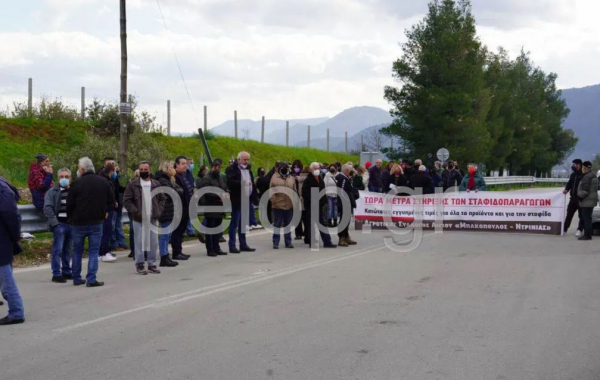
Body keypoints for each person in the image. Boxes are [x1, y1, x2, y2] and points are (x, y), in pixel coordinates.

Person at [67, 157, 114, 287]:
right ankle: (91, 279)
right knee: (93, 251)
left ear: (82, 169)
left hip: (78, 223)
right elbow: (111, 201)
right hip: (96, 222)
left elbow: (69, 204)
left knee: (77, 251)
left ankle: (76, 278)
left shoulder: (76, 183)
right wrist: (104, 211)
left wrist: (70, 218)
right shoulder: (103, 182)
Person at [123, 161, 165, 275]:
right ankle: (140, 264)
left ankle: (152, 264)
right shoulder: (133, 185)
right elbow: (126, 200)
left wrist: (158, 211)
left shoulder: (156, 184)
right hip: (139, 218)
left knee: (153, 242)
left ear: (150, 170)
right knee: (139, 242)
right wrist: (135, 212)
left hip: (153, 217)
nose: (143, 172)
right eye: (141, 170)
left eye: (145, 170)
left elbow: (162, 198)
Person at [0, 176, 25, 325]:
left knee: (6, 278)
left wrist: (15, 235)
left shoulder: (2, 189)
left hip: (1, 241)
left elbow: (11, 214)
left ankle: (16, 312)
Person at [43, 168, 73, 283]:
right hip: (59, 224)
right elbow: (47, 208)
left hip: (71, 224)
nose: (64, 179)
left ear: (70, 178)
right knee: (57, 250)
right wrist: (55, 223)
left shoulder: (73, 191)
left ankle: (67, 271)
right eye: (61, 177)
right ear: (58, 178)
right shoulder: (52, 191)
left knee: (68, 249)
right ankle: (56, 273)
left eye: (66, 177)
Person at [225, 151, 257, 253]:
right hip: (237, 199)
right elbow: (230, 182)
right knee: (234, 223)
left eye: (248, 159)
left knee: (243, 223)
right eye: (244, 159)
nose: (246, 161)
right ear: (238, 159)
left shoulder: (248, 170)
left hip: (247, 199)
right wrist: (243, 183)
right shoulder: (231, 169)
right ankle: (232, 245)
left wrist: (254, 196)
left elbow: (252, 184)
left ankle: (243, 244)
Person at [197, 159, 229, 257]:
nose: (218, 169)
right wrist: (220, 195)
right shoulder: (206, 178)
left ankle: (217, 247)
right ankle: (210, 249)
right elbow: (206, 192)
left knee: (217, 229)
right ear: (212, 167)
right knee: (210, 229)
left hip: (220, 206)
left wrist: (227, 192)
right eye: (216, 167)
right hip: (210, 206)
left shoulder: (219, 177)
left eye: (219, 167)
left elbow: (224, 187)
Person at [302, 162, 336, 249]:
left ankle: (327, 242)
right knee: (311, 225)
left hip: (319, 205)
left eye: (318, 168)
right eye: (315, 168)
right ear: (311, 169)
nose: (317, 170)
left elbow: (323, 190)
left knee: (322, 223)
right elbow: (305, 193)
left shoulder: (320, 179)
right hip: (311, 205)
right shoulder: (308, 180)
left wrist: (324, 201)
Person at [154, 161, 181, 267]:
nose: (173, 169)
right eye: (171, 167)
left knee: (167, 234)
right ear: (166, 168)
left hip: (169, 209)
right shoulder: (162, 180)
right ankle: (164, 256)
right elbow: (170, 193)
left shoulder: (167, 179)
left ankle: (166, 255)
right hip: (165, 210)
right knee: (165, 234)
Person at [270, 162, 297, 249]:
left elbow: (294, 191)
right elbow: (271, 192)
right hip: (278, 205)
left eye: (286, 168)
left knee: (288, 224)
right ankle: (275, 242)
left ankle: (288, 242)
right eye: (283, 168)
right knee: (277, 224)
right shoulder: (274, 178)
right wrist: (275, 201)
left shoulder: (291, 178)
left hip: (289, 205)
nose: (285, 169)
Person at [171, 156, 192, 261]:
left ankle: (179, 250)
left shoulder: (184, 176)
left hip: (185, 208)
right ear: (177, 165)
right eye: (183, 163)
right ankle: (176, 252)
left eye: (186, 163)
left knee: (181, 231)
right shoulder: (176, 178)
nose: (185, 165)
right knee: (177, 231)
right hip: (179, 209)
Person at [97, 161, 118, 262]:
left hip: (106, 208)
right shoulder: (106, 181)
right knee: (106, 231)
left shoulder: (103, 179)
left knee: (105, 231)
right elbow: (107, 195)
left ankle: (103, 251)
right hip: (106, 209)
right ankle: (103, 252)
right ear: (112, 171)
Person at [335, 164, 357, 247]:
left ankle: (346, 236)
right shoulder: (342, 178)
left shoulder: (345, 178)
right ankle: (341, 238)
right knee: (343, 221)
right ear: (346, 170)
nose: (351, 172)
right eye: (350, 170)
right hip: (344, 202)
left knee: (347, 220)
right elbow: (342, 191)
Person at [576, 161, 598, 241]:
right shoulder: (593, 175)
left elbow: (584, 190)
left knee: (586, 219)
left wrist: (579, 197)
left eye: (582, 167)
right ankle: (588, 234)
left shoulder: (587, 177)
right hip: (591, 201)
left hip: (586, 201)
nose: (582, 169)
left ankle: (587, 235)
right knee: (588, 218)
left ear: (585, 167)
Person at [109, 161, 128, 253]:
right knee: (113, 225)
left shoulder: (117, 177)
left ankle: (122, 243)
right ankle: (114, 244)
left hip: (119, 204)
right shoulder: (109, 179)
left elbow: (119, 188)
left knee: (118, 224)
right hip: (114, 204)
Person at [563, 159, 584, 236]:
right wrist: (566, 189)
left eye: (574, 164)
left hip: (581, 199)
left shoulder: (583, 174)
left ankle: (579, 229)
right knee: (569, 214)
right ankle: (564, 229)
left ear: (579, 165)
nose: (573, 166)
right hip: (573, 198)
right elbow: (569, 183)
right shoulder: (573, 175)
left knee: (581, 215)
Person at [293, 162, 308, 240]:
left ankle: (306, 232)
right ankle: (298, 233)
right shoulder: (291, 176)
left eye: (297, 167)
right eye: (294, 167)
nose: (296, 168)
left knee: (305, 217)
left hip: (303, 198)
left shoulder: (304, 176)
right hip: (295, 198)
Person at [185, 158, 197, 238]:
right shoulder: (186, 172)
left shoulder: (189, 171)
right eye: (191, 163)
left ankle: (190, 229)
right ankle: (190, 230)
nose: (192, 164)